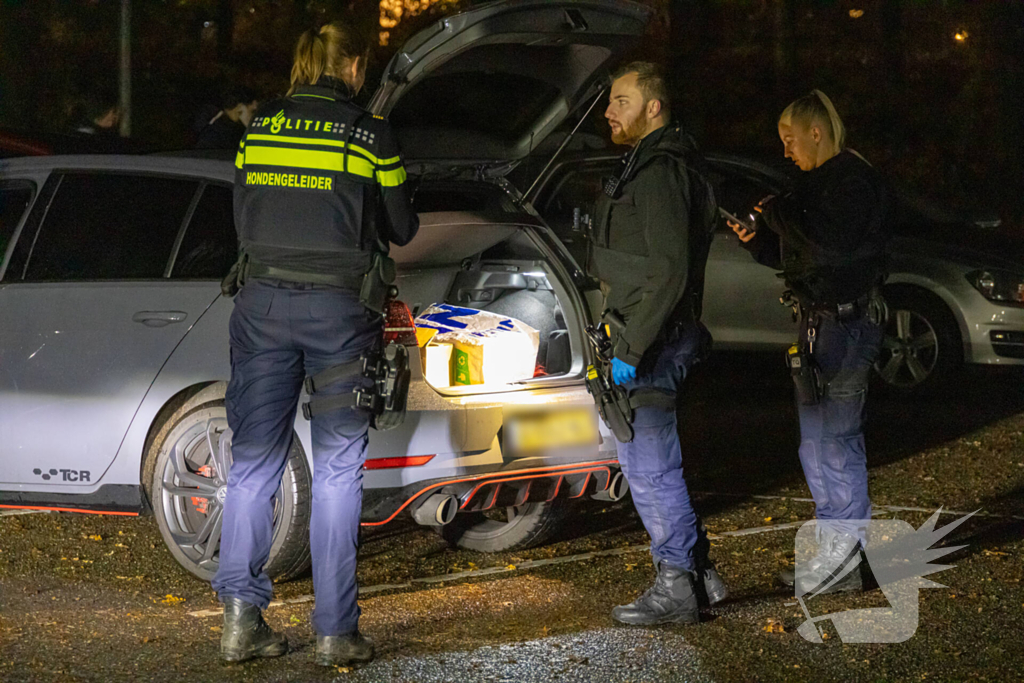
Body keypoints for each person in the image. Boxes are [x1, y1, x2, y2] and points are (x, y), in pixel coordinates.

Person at [212, 20, 418, 666]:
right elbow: (403, 226)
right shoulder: (368, 133)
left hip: (263, 304)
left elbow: (245, 212)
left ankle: (241, 620)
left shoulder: (260, 127)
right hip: (337, 311)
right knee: (334, 472)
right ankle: (335, 630)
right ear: (352, 66)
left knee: (251, 464)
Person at [728, 90, 887, 595]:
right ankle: (837, 555)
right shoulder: (821, 184)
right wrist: (759, 244)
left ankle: (844, 560)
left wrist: (777, 214)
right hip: (822, 325)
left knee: (835, 444)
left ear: (816, 132)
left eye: (790, 139)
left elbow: (831, 245)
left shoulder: (853, 181)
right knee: (817, 446)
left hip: (845, 326)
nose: (786, 152)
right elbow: (803, 253)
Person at [587, 62, 727, 626]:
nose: (608, 111)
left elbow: (668, 269)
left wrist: (630, 348)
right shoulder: (654, 164)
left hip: (653, 342)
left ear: (654, 107)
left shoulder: (661, 171)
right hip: (655, 337)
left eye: (621, 100)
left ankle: (676, 586)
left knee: (649, 467)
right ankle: (700, 576)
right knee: (654, 462)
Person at [195, 86, 260, 150]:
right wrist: (250, 128)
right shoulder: (223, 134)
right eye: (252, 111)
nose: (255, 116)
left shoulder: (216, 126)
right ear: (240, 108)